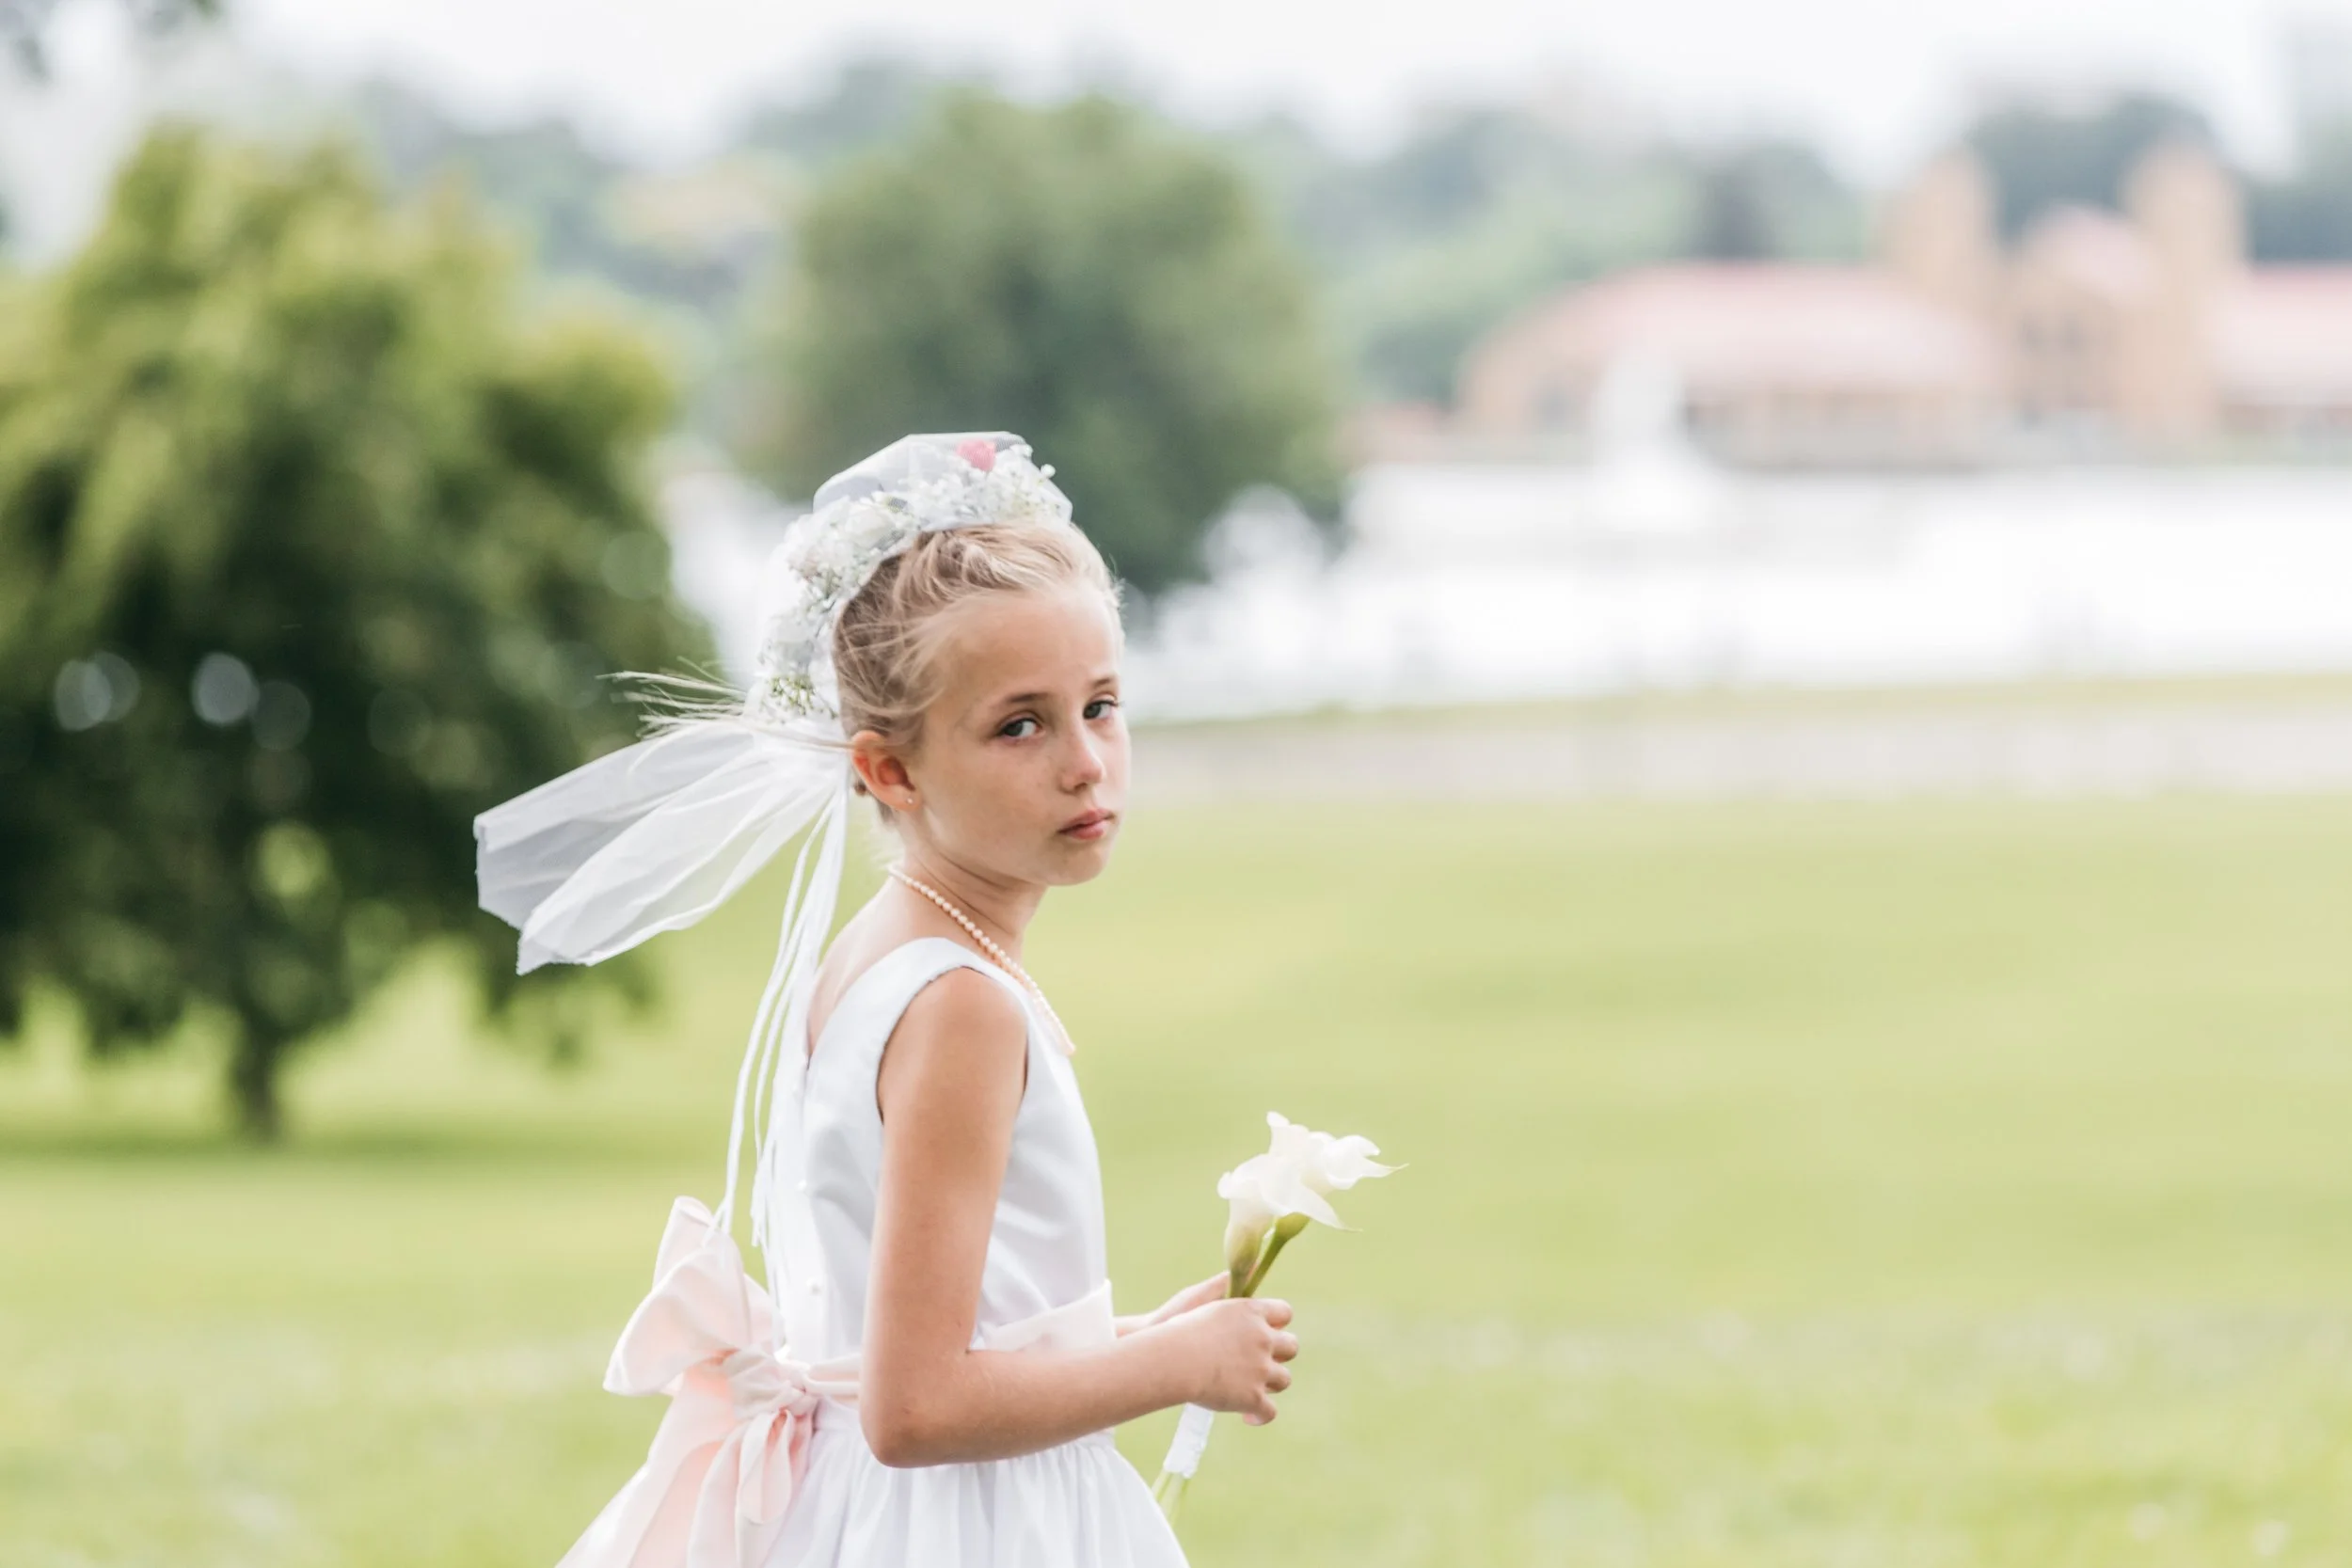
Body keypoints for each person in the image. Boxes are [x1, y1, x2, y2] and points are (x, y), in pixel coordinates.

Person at [473, 433, 1296, 1568]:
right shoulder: (961, 1002)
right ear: (890, 770)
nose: (1084, 761)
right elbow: (915, 1406)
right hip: (970, 1526)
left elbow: (931, 1329)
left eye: (1100, 704)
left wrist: (1139, 1333)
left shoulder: (885, 952)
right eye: (1021, 723)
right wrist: (1173, 1369)